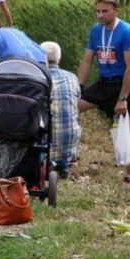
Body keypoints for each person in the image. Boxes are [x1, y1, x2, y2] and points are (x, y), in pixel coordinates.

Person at [77, 0, 130, 187]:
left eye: (105, 11)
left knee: (128, 128)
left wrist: (123, 98)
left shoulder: (127, 31)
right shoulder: (95, 31)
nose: (100, 15)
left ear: (116, 11)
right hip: (104, 83)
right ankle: (62, 157)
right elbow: (87, 60)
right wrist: (78, 87)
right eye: (98, 11)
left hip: (126, 84)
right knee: (70, 108)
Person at [41, 41, 81, 178]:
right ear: (59, 59)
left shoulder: (39, 78)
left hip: (45, 143)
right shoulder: (72, 77)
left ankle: (47, 162)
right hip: (70, 143)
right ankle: (64, 165)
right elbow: (76, 101)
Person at [0, 10, 47, 77]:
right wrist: (47, 76)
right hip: (39, 65)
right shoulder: (16, 31)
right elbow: (43, 52)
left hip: (15, 65)